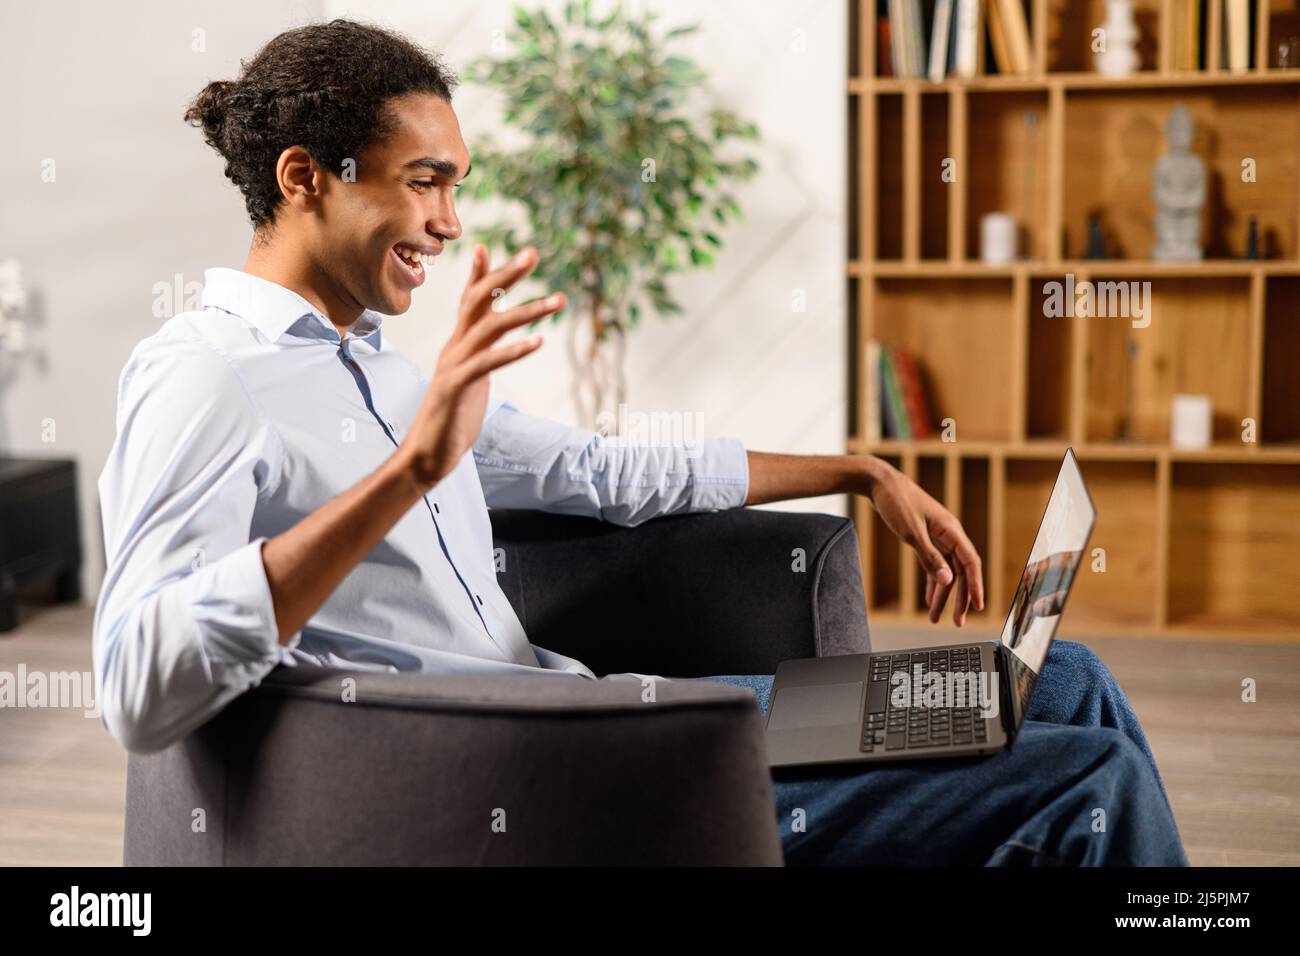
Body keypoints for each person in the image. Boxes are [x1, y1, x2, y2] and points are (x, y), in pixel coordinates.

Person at [93, 19, 1185, 866]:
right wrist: (409, 472)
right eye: (424, 181)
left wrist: (861, 470)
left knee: (1061, 683)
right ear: (303, 178)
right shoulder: (205, 376)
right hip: (546, 770)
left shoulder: (385, 370)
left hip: (602, 708)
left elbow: (606, 472)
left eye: (454, 185)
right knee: (1082, 777)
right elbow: (138, 681)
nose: (450, 221)